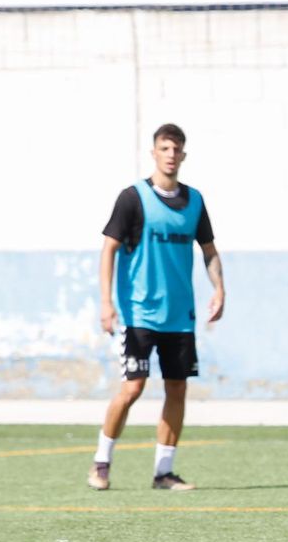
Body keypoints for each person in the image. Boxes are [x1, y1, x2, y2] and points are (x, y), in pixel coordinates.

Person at [89, 123, 224, 491]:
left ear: (183, 154)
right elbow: (109, 249)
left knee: (177, 389)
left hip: (180, 316)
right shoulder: (132, 198)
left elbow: (209, 250)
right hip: (139, 313)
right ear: (154, 152)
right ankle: (101, 463)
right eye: (164, 148)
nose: (170, 154)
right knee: (132, 387)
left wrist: (219, 289)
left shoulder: (194, 200)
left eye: (176, 149)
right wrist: (106, 303)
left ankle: (163, 471)